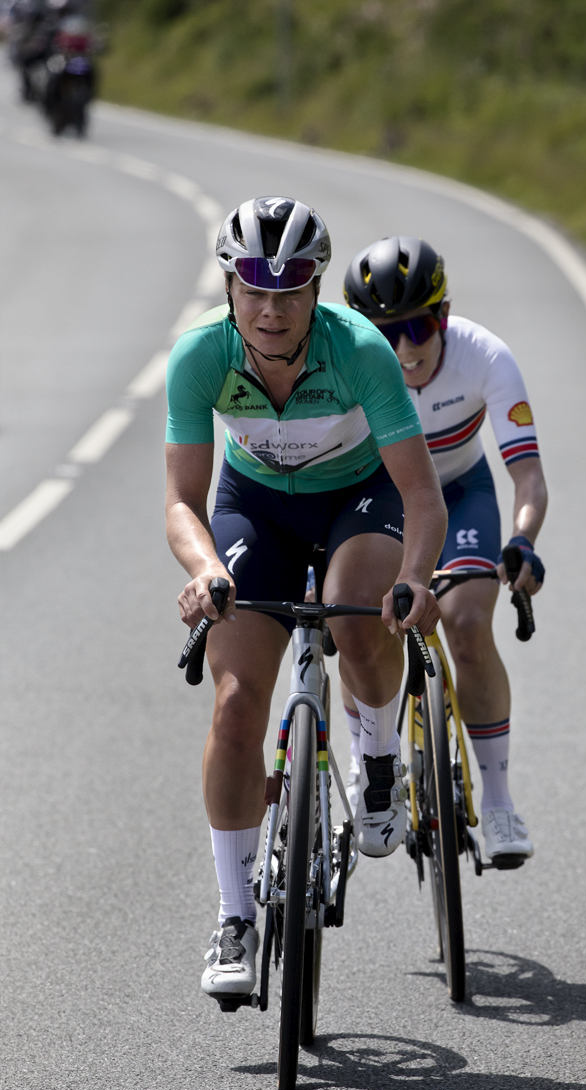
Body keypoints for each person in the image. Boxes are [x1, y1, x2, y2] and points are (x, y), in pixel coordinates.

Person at [166, 198, 447, 999]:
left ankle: (382, 755)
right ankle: (233, 917)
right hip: (256, 508)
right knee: (234, 702)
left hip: (360, 500)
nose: (272, 306)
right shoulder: (200, 358)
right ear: (230, 285)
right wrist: (205, 568)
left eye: (291, 288)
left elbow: (422, 498)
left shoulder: (359, 349)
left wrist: (416, 580)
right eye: (254, 285)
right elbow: (181, 502)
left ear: (317, 286)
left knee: (362, 621)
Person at [342, 236, 547, 865]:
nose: (405, 348)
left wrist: (522, 539)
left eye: (419, 326)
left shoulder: (486, 356)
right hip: (380, 498)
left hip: (460, 491)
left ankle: (502, 800)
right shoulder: (345, 369)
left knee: (464, 623)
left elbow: (528, 477)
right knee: (356, 619)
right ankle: (368, 761)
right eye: (386, 333)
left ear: (445, 316)